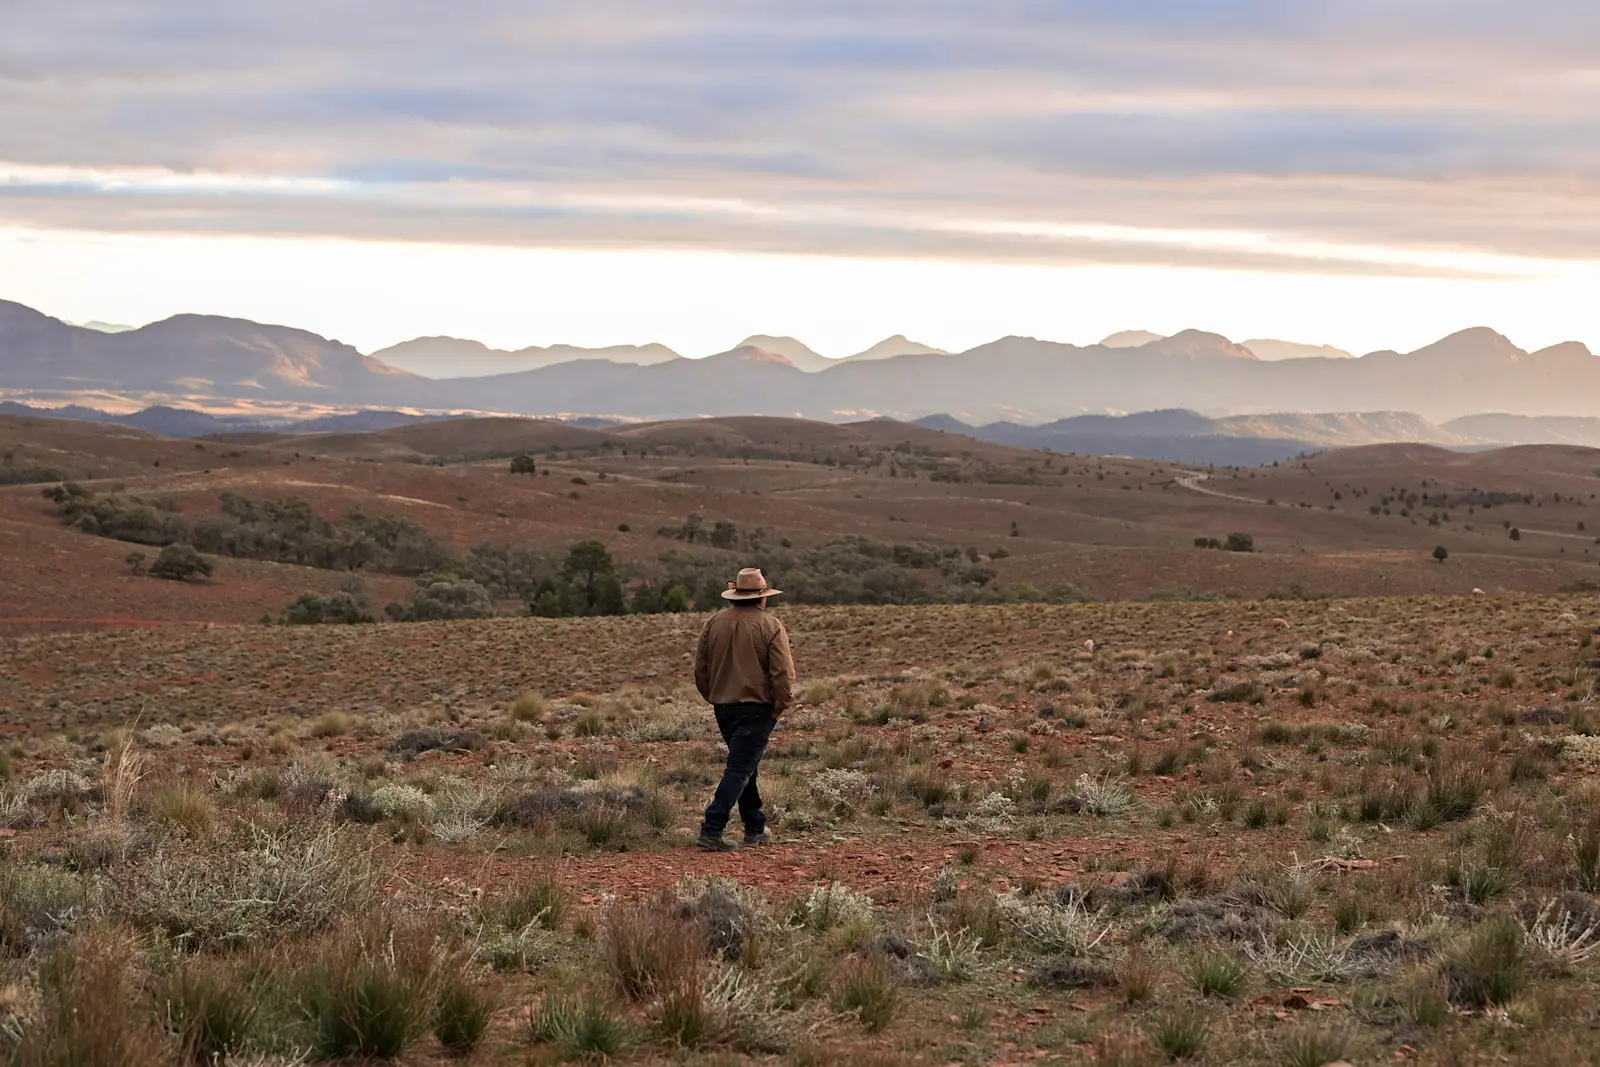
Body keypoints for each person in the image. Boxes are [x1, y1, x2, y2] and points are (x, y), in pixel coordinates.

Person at [693, 567, 794, 851]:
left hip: (723, 707)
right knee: (739, 768)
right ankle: (712, 828)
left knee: (745, 766)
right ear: (761, 597)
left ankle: (755, 827)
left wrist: (714, 696)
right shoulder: (770, 625)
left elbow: (701, 669)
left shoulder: (713, 623)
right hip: (757, 708)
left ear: (735, 595)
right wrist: (780, 705)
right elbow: (782, 673)